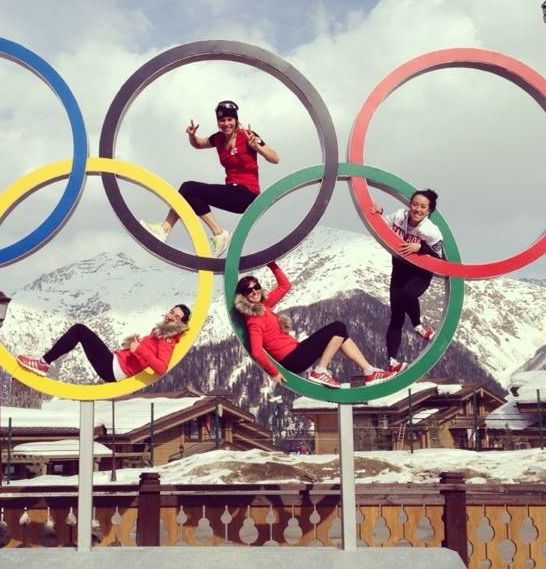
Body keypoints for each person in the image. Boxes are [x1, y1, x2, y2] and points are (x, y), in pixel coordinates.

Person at [140, 100, 279, 257]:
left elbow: (275, 158)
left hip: (246, 194)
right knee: (189, 194)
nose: (226, 123)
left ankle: (173, 229)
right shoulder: (218, 138)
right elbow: (199, 144)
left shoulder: (247, 136)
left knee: (188, 187)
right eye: (222, 120)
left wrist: (258, 148)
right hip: (232, 191)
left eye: (229, 119)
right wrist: (192, 136)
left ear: (236, 120)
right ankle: (176, 230)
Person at [234, 262, 395, 388]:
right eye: (249, 291)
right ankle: (320, 371)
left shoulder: (265, 307)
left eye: (257, 287)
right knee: (338, 327)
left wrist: (272, 264)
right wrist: (273, 372)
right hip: (293, 358)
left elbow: (285, 286)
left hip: (297, 351)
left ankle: (369, 371)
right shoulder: (254, 319)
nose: (254, 292)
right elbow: (256, 351)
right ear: (244, 296)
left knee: (342, 335)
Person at [17, 304, 191, 382]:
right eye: (171, 312)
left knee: (79, 330)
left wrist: (138, 349)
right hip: (114, 364)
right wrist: (134, 346)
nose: (171, 317)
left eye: (176, 317)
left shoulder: (167, 339)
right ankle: (43, 363)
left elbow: (161, 367)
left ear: (180, 324)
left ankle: (43, 364)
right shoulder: (160, 333)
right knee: (80, 332)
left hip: (114, 369)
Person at [371, 189, 444, 372]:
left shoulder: (431, 231)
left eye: (423, 206)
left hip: (420, 272)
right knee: (396, 317)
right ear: (409, 204)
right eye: (415, 204)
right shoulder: (399, 216)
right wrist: (377, 211)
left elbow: (441, 258)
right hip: (399, 270)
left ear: (429, 211)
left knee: (408, 294)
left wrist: (420, 247)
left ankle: (418, 327)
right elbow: (380, 225)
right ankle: (392, 361)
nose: (417, 209)